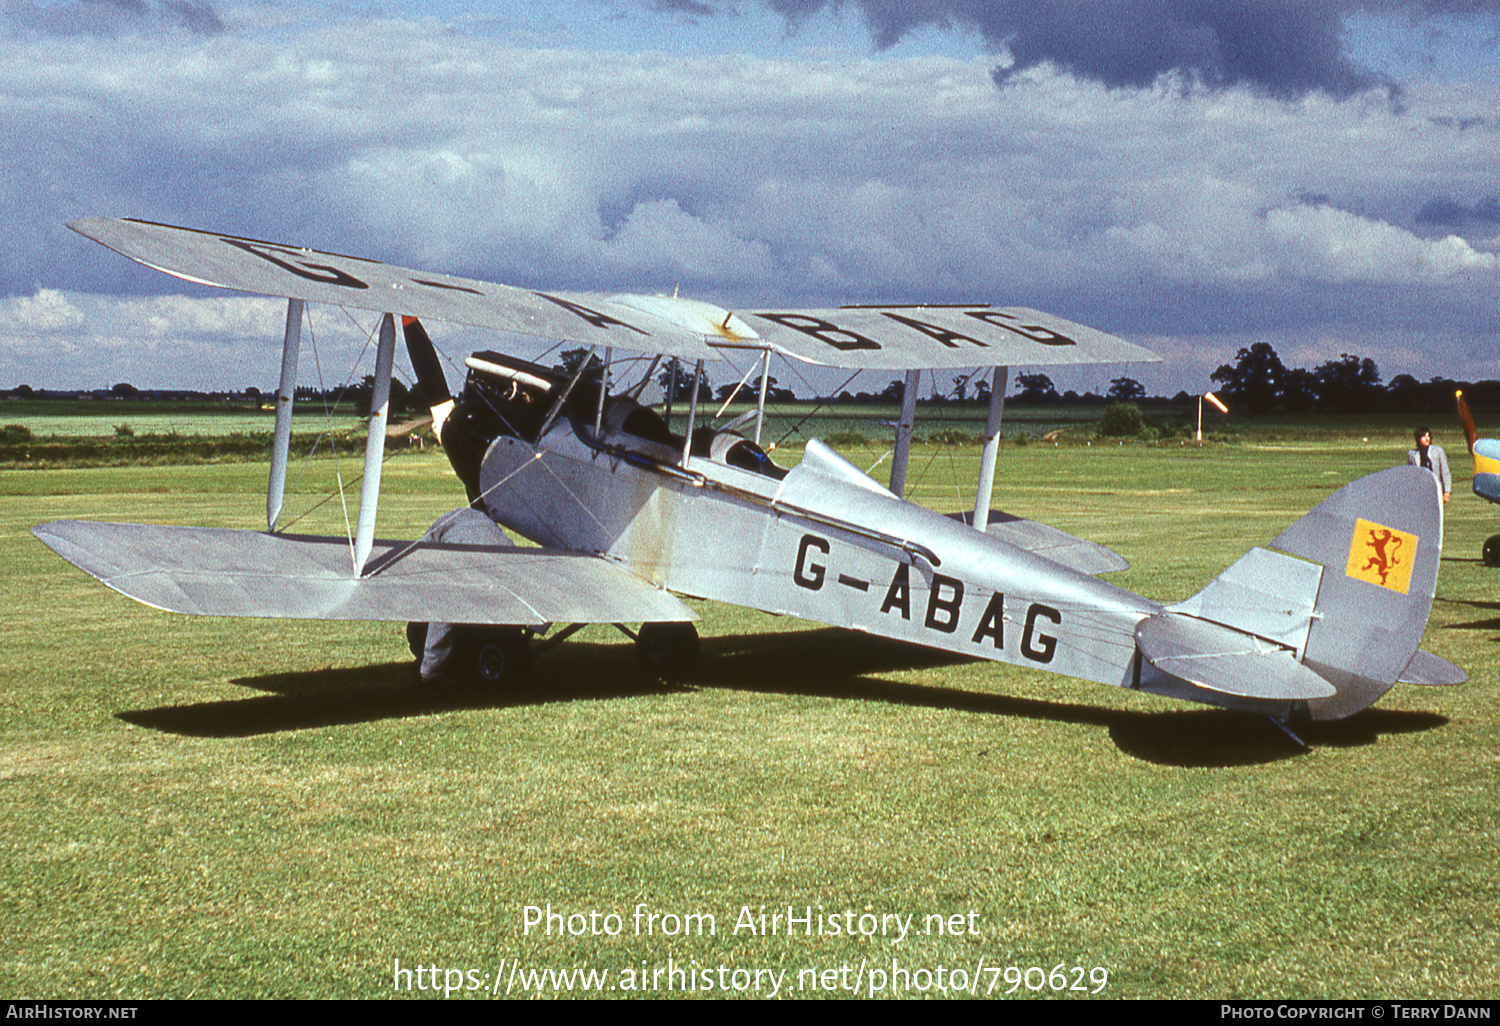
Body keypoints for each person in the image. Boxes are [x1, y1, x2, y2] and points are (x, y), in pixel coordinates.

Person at [1408, 426, 1451, 504]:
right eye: (1424, 436)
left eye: (1428, 436)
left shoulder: (1438, 451)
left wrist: (1447, 492)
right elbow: (1410, 474)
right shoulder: (1412, 454)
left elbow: (1445, 472)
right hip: (1420, 489)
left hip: (1435, 488)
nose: (1427, 439)